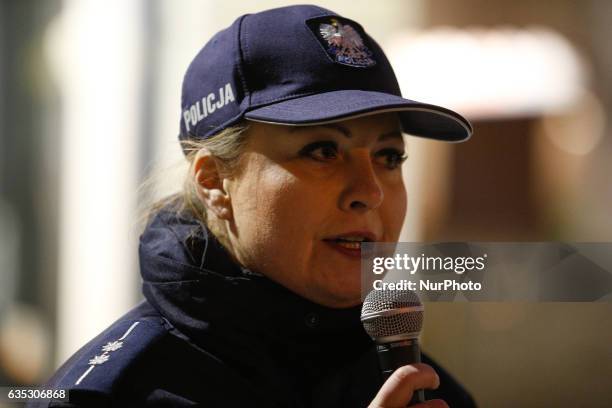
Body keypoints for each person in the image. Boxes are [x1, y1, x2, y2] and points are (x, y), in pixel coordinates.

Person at [29, 4, 475, 407]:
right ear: (214, 181)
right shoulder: (104, 396)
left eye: (389, 157)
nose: (371, 191)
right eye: (323, 151)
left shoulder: (430, 391)